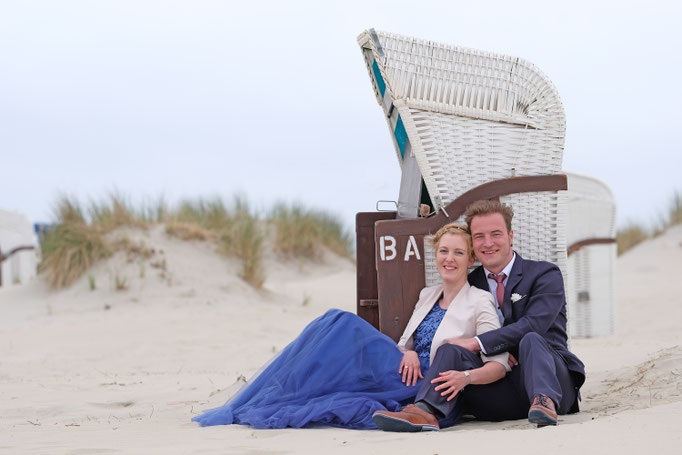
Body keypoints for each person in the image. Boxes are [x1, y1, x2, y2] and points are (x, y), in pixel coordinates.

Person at [191, 223, 509, 429]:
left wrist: (464, 377)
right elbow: (406, 342)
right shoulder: (428, 294)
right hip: (404, 366)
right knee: (333, 322)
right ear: (435, 255)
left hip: (428, 381)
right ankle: (278, 390)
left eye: (458, 253)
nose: (449, 258)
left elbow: (498, 362)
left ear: (471, 260)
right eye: (443, 251)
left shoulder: (480, 301)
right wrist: (406, 351)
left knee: (343, 323)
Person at [373, 200, 586, 431]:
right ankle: (425, 411)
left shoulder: (544, 274)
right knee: (450, 348)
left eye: (496, 234)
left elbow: (534, 324)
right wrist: (412, 351)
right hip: (502, 390)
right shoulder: (470, 284)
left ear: (511, 235)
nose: (488, 243)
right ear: (473, 245)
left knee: (531, 338)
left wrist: (478, 343)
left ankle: (544, 402)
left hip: (552, 382)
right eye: (479, 236)